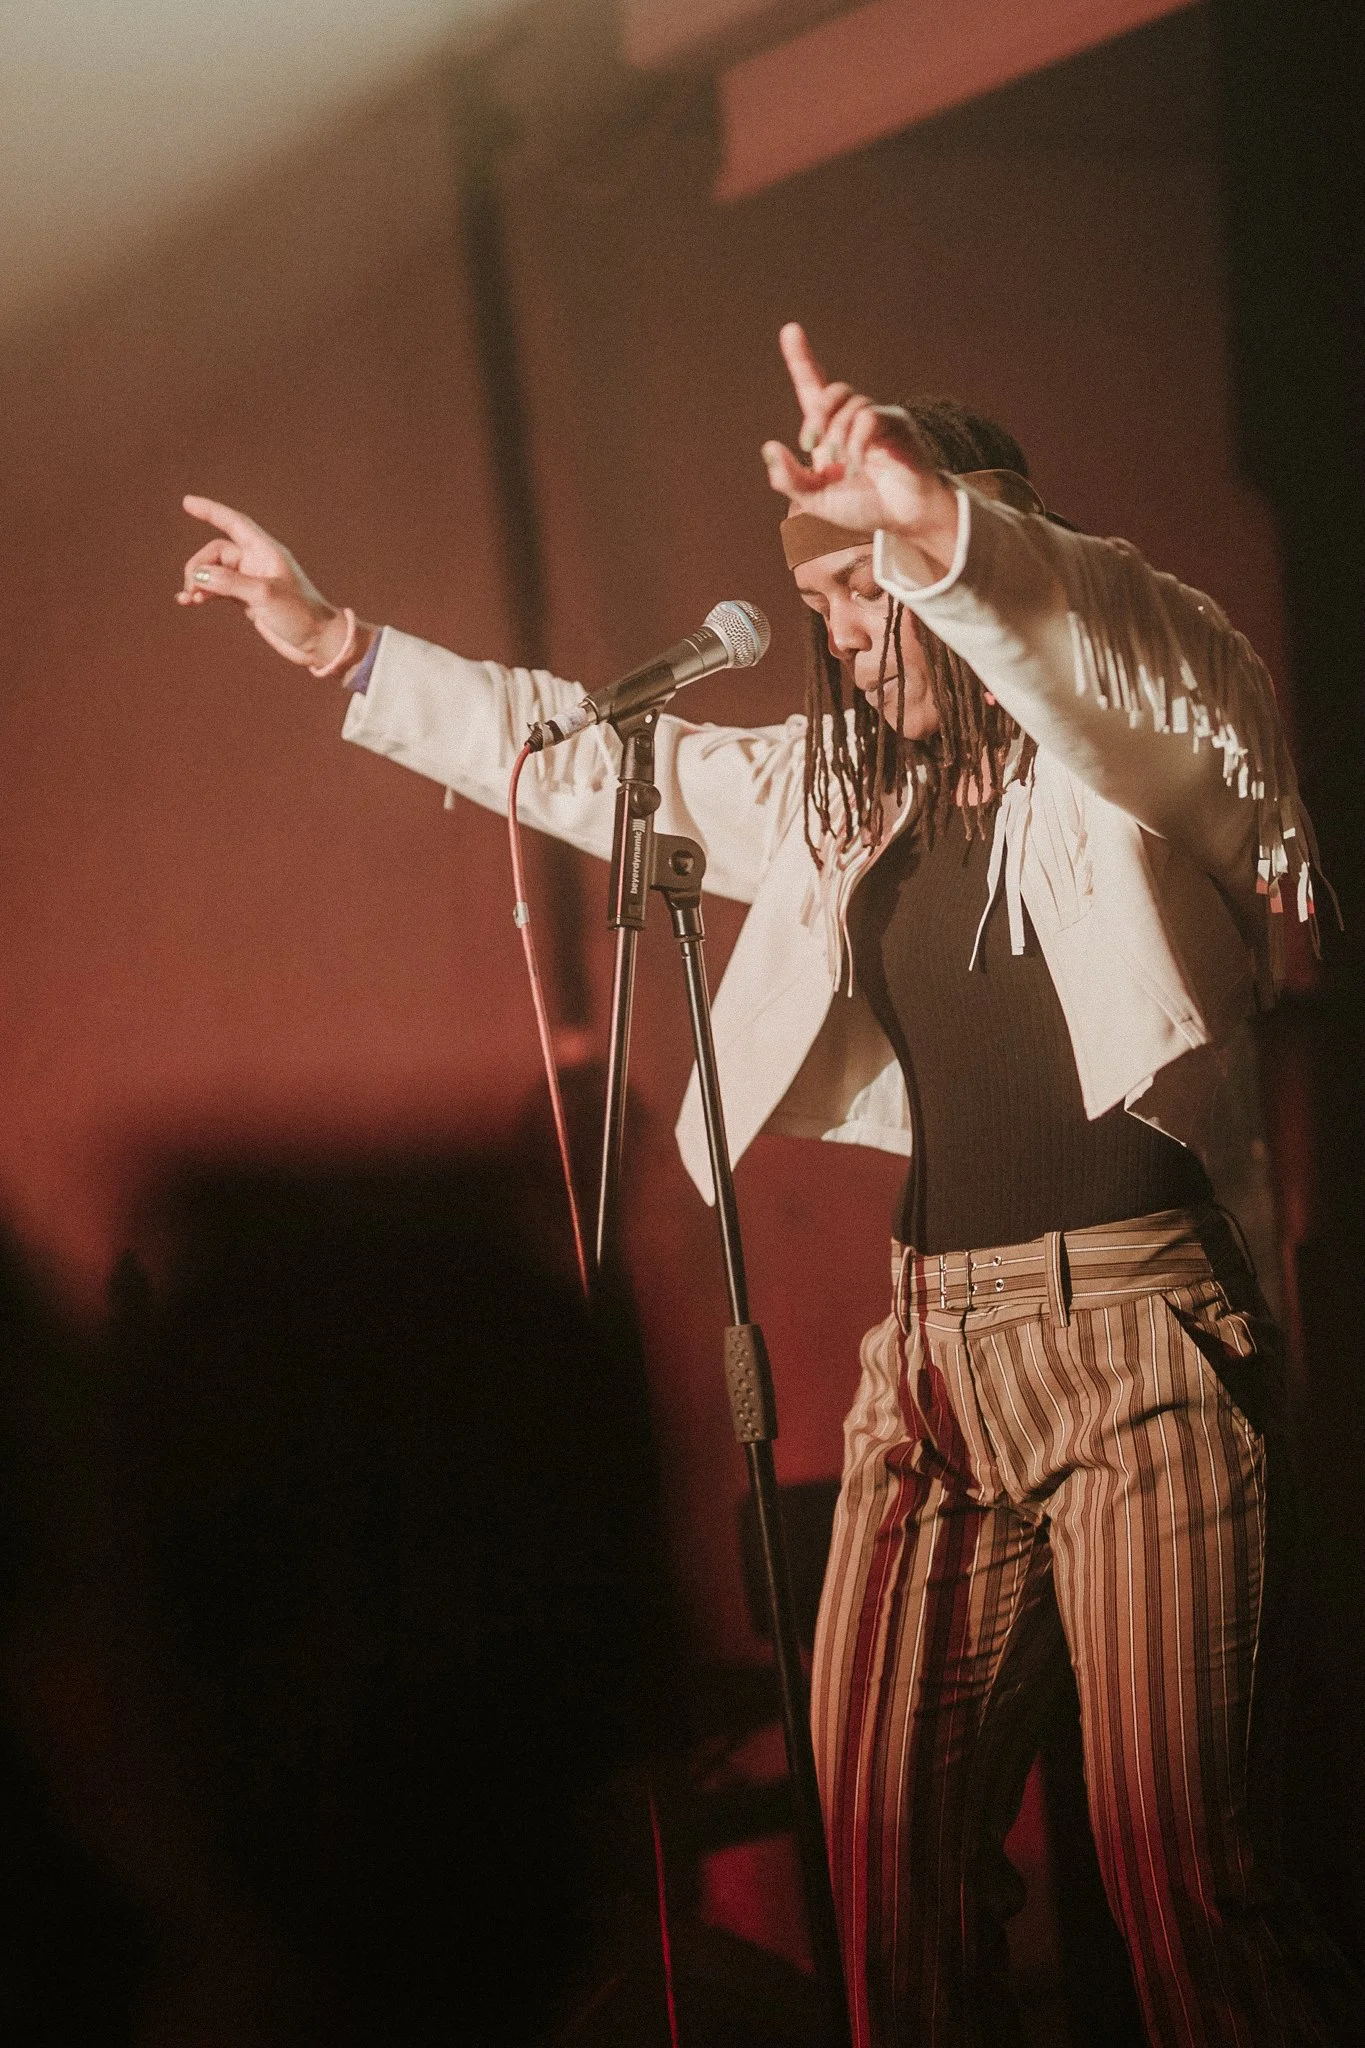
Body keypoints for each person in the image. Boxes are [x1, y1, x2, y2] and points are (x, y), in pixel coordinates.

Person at [177, 324, 1354, 2046]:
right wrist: (337, 644)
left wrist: (935, 529)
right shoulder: (839, 805)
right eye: (836, 606)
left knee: (1188, 1884)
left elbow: (1092, 634)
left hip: (1143, 1349)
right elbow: (594, 755)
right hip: (936, 1362)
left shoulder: (1139, 759)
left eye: (880, 591)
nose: (856, 636)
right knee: (882, 1881)